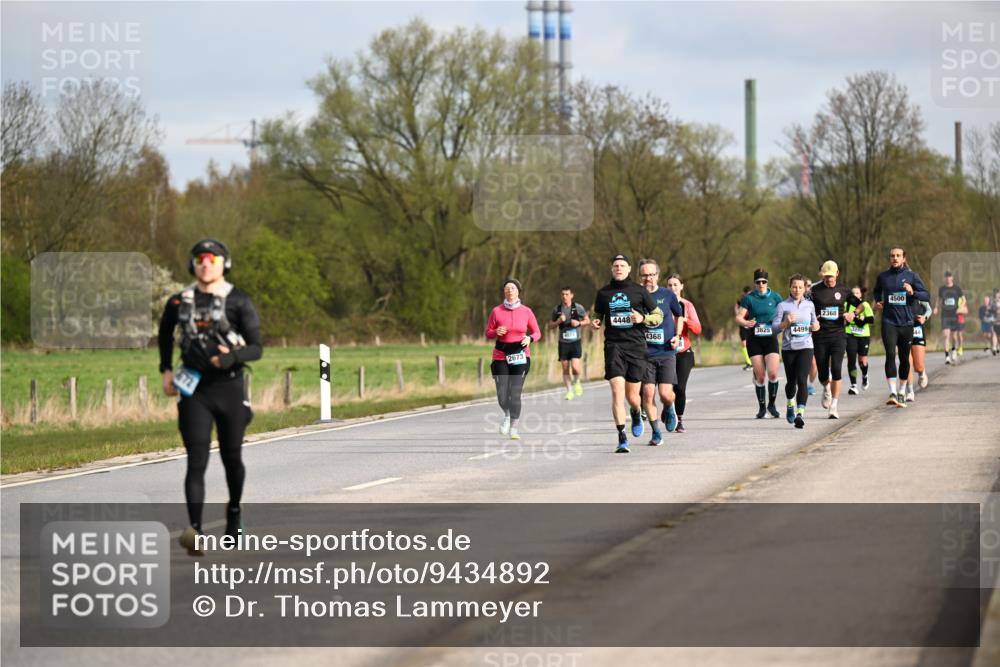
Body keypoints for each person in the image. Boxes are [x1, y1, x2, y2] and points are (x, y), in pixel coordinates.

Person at [159, 239, 263, 555]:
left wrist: (229, 358)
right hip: (195, 391)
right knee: (196, 461)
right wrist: (166, 370)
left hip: (229, 388)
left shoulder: (239, 301)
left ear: (223, 264)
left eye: (212, 259)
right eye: (200, 259)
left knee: (232, 458)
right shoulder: (179, 302)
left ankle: (234, 513)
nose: (206, 264)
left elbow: (257, 347)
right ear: (193, 265)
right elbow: (164, 335)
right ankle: (196, 530)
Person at [591, 254, 664, 453]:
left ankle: (636, 410)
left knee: (633, 397)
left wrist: (642, 318)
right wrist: (596, 321)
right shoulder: (603, 293)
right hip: (614, 346)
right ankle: (622, 437)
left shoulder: (639, 291)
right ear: (611, 269)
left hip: (636, 347)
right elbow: (598, 314)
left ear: (629, 269)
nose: (619, 268)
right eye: (615, 265)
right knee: (616, 392)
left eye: (622, 265)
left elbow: (659, 315)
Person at [485, 279, 541, 441]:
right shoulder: (496, 311)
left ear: (518, 291)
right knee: (502, 395)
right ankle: (508, 415)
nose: (510, 290)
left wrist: (530, 339)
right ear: (504, 292)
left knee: (515, 393)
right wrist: (496, 331)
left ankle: (514, 427)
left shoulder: (526, 311)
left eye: (513, 288)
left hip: (520, 355)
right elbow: (488, 332)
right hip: (501, 355)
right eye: (507, 288)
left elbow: (537, 332)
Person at [873, 246, 929, 407]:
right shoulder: (883, 276)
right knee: (890, 354)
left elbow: (926, 294)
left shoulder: (912, 276)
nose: (895, 258)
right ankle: (892, 392)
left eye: (898, 256)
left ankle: (902, 391)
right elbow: (876, 291)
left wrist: (913, 292)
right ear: (889, 258)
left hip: (906, 323)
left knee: (905, 359)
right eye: (892, 256)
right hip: (889, 322)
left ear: (904, 258)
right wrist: (878, 301)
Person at [637, 259, 685, 445]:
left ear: (657, 275)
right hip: (644, 353)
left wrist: (678, 335)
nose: (648, 278)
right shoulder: (635, 296)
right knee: (648, 394)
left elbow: (679, 315)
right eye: (644, 275)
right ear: (640, 276)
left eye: (651, 274)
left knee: (665, 394)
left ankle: (669, 406)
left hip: (665, 351)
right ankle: (656, 431)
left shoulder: (667, 294)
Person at [808, 261, 862, 419]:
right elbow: (803, 307)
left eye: (831, 276)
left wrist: (854, 314)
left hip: (838, 335)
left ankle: (834, 406)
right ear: (822, 275)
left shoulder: (844, 290)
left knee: (837, 368)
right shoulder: (814, 291)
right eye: (826, 276)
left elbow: (861, 305)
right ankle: (826, 388)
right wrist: (812, 319)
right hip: (820, 336)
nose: (829, 279)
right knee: (823, 373)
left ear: (837, 274)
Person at [735, 269, 783, 418]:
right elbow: (739, 317)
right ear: (755, 283)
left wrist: (780, 324)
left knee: (773, 373)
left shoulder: (775, 297)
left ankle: (772, 405)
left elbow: (784, 314)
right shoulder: (749, 298)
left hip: (770, 338)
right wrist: (746, 322)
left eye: (763, 282)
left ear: (767, 283)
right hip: (754, 339)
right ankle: (762, 407)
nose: (761, 284)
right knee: (760, 377)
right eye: (758, 282)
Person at [773, 274, 820, 428]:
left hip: (806, 346)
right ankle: (790, 403)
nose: (797, 290)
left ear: (805, 288)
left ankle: (800, 414)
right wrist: (786, 322)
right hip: (789, 348)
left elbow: (815, 323)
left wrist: (816, 327)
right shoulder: (782, 306)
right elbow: (774, 328)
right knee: (791, 382)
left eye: (800, 287)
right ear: (790, 288)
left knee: (802, 380)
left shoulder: (809, 305)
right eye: (794, 287)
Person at [666, 273, 701, 434]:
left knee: (680, 388)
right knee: (667, 388)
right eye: (669, 285)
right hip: (665, 351)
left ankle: (679, 419)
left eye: (675, 284)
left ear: (681, 287)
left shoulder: (688, 305)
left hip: (684, 351)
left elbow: (698, 330)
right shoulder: (661, 304)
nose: (673, 288)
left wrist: (685, 320)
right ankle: (668, 407)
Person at [549, 287, 590, 400]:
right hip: (563, 342)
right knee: (565, 368)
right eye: (562, 294)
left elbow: (588, 321)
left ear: (571, 295)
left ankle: (576, 382)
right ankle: (569, 391)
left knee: (576, 367)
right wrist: (558, 321)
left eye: (567, 294)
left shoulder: (578, 307)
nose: (564, 296)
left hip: (575, 341)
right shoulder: (557, 309)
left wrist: (578, 323)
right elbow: (550, 326)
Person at [845, 286, 875, 394]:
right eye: (853, 294)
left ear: (860, 295)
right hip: (850, 334)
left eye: (857, 293)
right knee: (851, 360)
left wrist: (863, 319)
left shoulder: (865, 305)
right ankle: (854, 385)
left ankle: (865, 375)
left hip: (863, 335)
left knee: (862, 361)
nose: (855, 295)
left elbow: (872, 320)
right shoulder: (846, 304)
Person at [906, 299, 933, 401]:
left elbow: (929, 309)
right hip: (904, 327)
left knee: (918, 366)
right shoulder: (898, 290)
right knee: (906, 362)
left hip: (917, 328)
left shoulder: (918, 294)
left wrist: (924, 317)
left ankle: (922, 373)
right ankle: (910, 391)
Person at [936, 271, 963, 364]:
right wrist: (936, 308)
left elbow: (963, 299)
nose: (947, 278)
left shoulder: (957, 289)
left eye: (949, 277)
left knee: (954, 336)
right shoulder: (942, 289)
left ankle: (954, 349)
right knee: (946, 335)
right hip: (945, 314)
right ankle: (947, 356)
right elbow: (938, 299)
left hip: (954, 314)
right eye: (946, 277)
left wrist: (960, 307)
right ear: (945, 278)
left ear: (952, 278)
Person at [735, 287, 753, 370]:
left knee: (752, 342)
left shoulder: (754, 300)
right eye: (747, 293)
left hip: (752, 324)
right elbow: (737, 313)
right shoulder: (740, 301)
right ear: (744, 293)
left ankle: (755, 360)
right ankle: (748, 362)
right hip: (743, 324)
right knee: (744, 343)